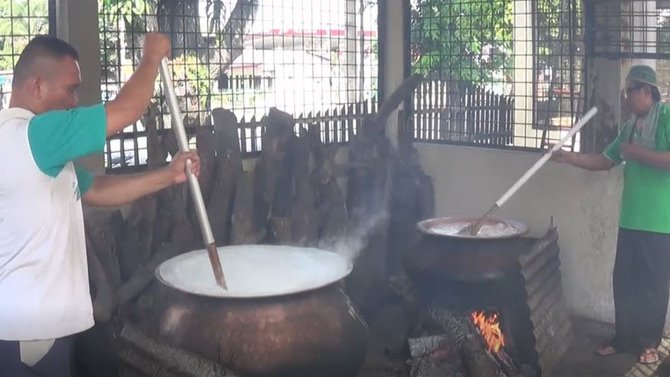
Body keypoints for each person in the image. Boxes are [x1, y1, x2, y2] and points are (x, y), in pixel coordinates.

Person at [0, 33, 201, 376]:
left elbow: (96, 190)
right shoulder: (35, 134)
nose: (75, 100)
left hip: (35, 328)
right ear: (36, 86)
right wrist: (151, 58)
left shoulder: (28, 146)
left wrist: (169, 175)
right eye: (70, 89)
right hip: (32, 333)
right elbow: (128, 110)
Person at [551, 64, 670, 365]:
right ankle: (624, 338)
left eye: (630, 92)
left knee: (653, 285)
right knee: (625, 282)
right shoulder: (629, 128)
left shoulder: (667, 118)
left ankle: (649, 343)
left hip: (660, 222)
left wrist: (637, 154)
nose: (626, 97)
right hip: (630, 218)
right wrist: (569, 158)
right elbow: (605, 160)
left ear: (647, 91)